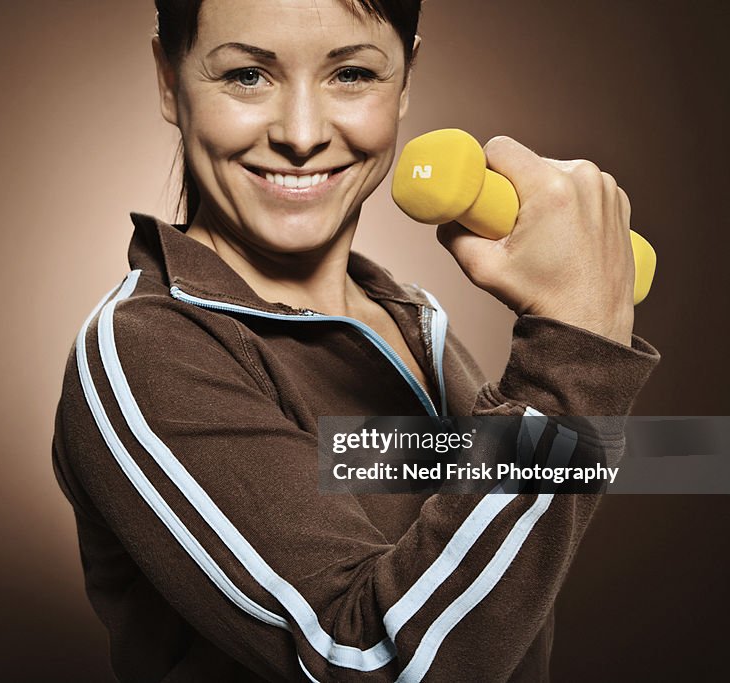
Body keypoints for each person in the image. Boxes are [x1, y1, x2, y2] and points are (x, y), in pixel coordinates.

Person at [51, 1, 659, 680]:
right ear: (170, 80)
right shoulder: (145, 350)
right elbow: (375, 660)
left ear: (405, 80)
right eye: (249, 75)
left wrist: (576, 371)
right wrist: (573, 354)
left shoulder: (411, 321)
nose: (303, 134)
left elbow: (483, 594)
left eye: (352, 74)